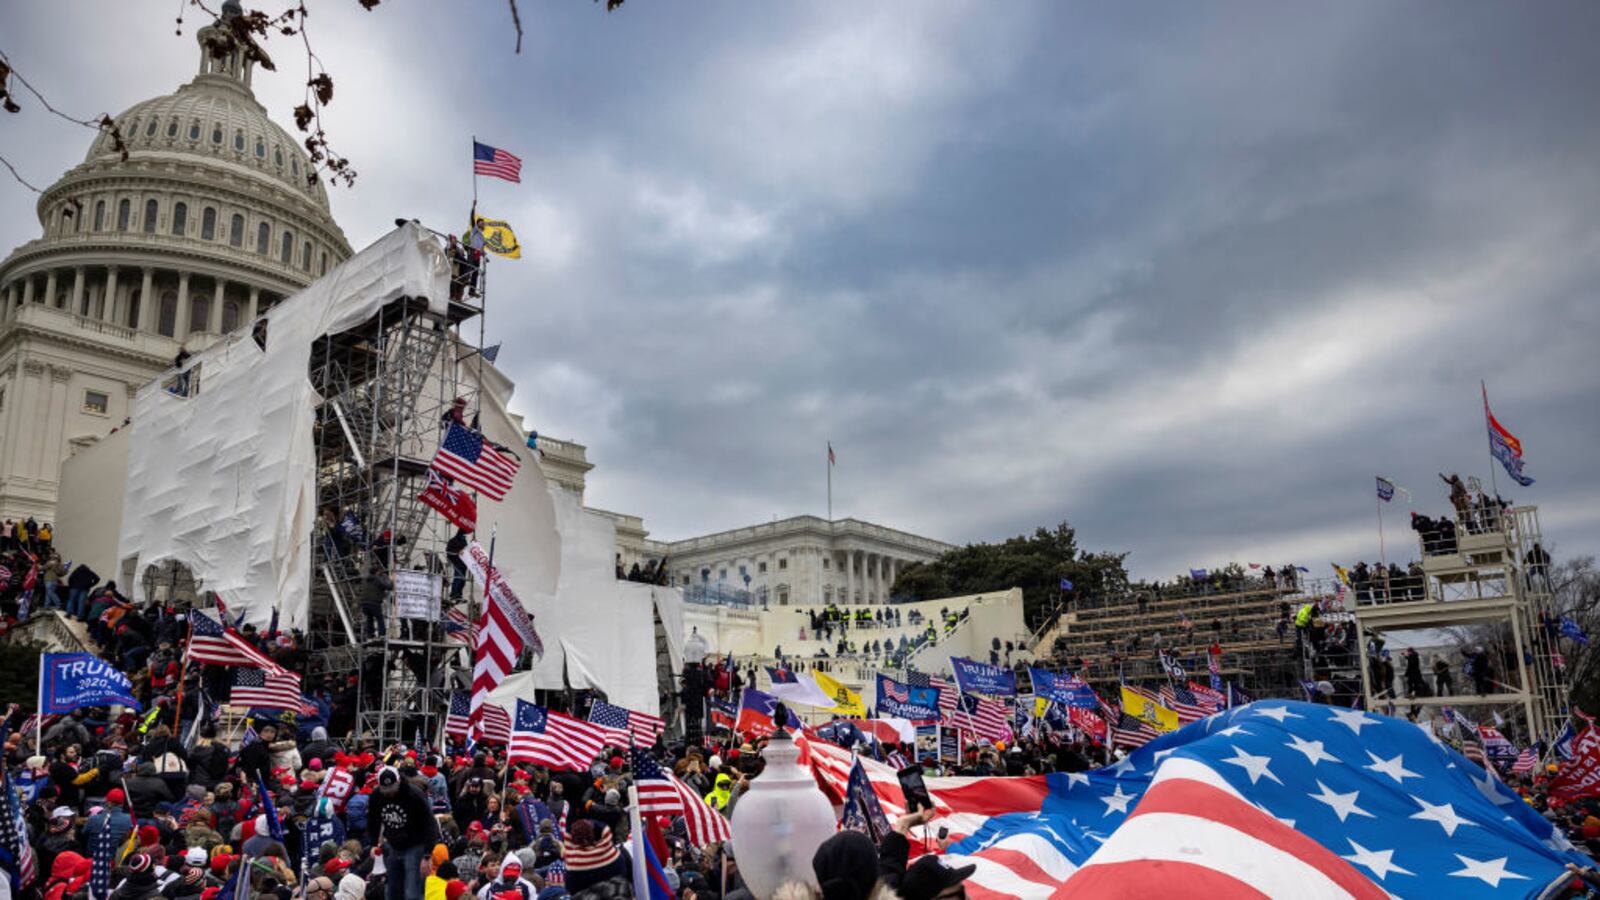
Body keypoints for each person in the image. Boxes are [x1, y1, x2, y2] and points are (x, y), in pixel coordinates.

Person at [368, 767, 441, 900]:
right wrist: (373, 843)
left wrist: (427, 855)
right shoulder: (376, 795)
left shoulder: (414, 795)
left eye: (392, 789)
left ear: (399, 781)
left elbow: (430, 824)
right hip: (393, 844)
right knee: (392, 891)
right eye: (386, 790)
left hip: (415, 844)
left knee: (412, 892)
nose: (389, 793)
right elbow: (373, 820)